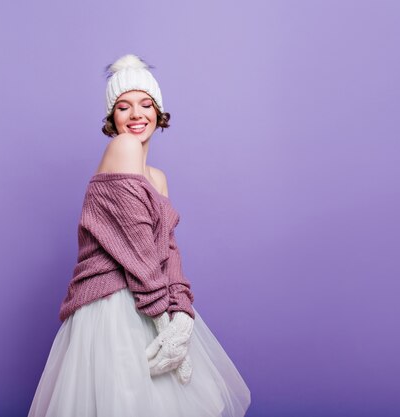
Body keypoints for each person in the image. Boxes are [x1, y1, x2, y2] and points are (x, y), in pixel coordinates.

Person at [27, 54, 251, 417]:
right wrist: (165, 318)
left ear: (159, 112)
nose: (136, 115)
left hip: (149, 297)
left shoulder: (157, 176)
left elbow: (167, 250)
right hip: (114, 303)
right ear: (111, 118)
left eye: (146, 105)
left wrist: (183, 314)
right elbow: (136, 246)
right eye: (123, 107)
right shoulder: (123, 148)